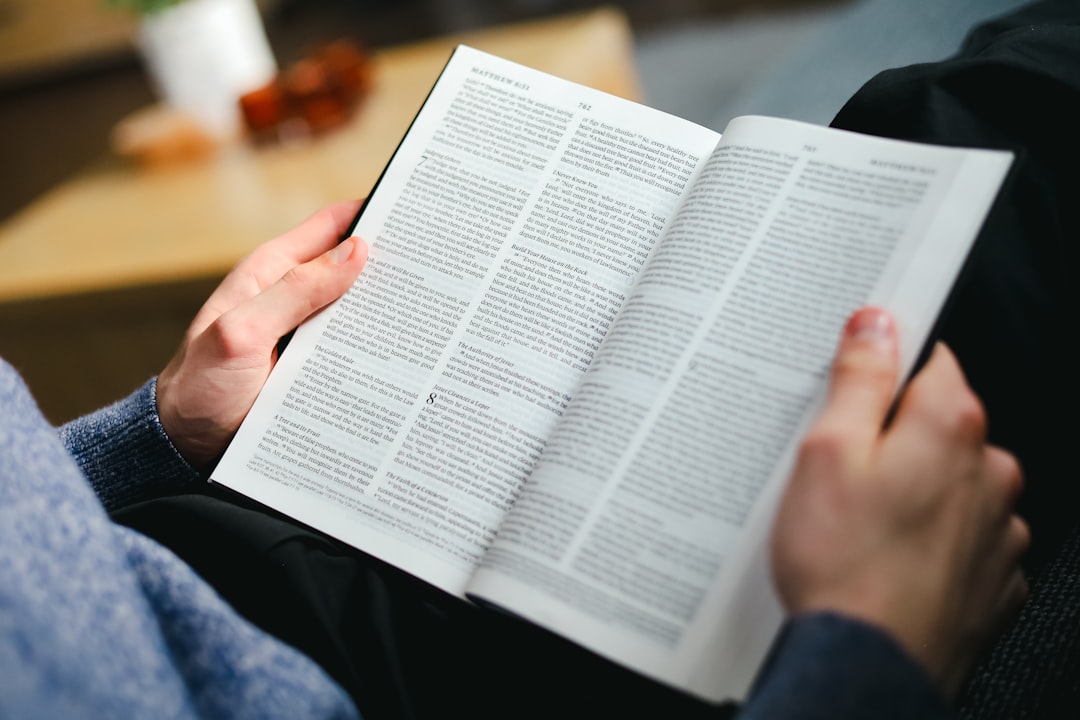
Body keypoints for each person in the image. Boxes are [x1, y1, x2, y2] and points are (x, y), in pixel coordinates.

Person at [0, 194, 1028, 719]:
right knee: (999, 190)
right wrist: (865, 666)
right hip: (360, 670)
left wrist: (156, 435)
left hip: (200, 545)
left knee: (904, 136)